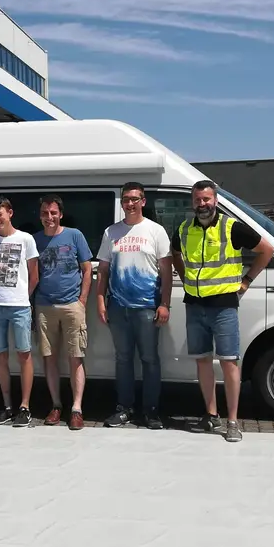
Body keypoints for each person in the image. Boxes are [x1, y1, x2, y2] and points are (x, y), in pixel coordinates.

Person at [171, 180, 274, 443]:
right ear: (192, 202)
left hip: (224, 306)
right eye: (198, 200)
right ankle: (211, 414)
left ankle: (232, 421)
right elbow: (175, 254)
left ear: (215, 201)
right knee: (203, 361)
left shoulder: (232, 228)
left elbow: (267, 250)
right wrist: (185, 279)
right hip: (194, 305)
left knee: (229, 362)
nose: (202, 204)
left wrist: (247, 280)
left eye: (207, 199)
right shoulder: (184, 229)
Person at [96, 182, 171, 429]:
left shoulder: (156, 231)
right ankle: (124, 408)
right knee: (123, 359)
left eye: (135, 199)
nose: (130, 203)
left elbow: (166, 271)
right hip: (118, 307)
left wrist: (165, 304)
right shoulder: (111, 232)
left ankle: (151, 411)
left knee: (150, 359)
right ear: (121, 202)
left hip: (148, 307)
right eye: (126, 199)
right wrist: (100, 300)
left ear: (143, 201)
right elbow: (104, 270)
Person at [0, 197, 38, 427]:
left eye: (0, 214)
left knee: (24, 355)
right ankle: (7, 406)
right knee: (0, 356)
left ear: (10, 213)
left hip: (20, 306)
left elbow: (34, 275)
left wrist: (24, 297)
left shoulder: (26, 239)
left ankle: (25, 407)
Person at [31, 194, 92, 430]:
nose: (49, 217)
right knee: (49, 358)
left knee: (75, 357)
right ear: (40, 215)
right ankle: (56, 405)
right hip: (44, 306)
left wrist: (82, 301)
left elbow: (87, 270)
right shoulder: (34, 240)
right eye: (45, 213)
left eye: (53, 213)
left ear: (61, 214)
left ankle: (76, 408)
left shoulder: (75, 235)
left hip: (71, 305)